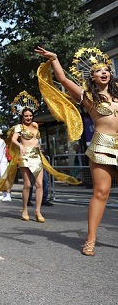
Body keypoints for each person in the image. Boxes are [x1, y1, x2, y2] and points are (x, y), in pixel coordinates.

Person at [35, 46, 114, 256]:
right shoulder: (87, 96)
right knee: (101, 193)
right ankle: (90, 239)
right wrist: (54, 58)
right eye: (98, 70)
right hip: (102, 147)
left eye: (107, 69)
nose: (104, 72)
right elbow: (62, 79)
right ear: (92, 76)